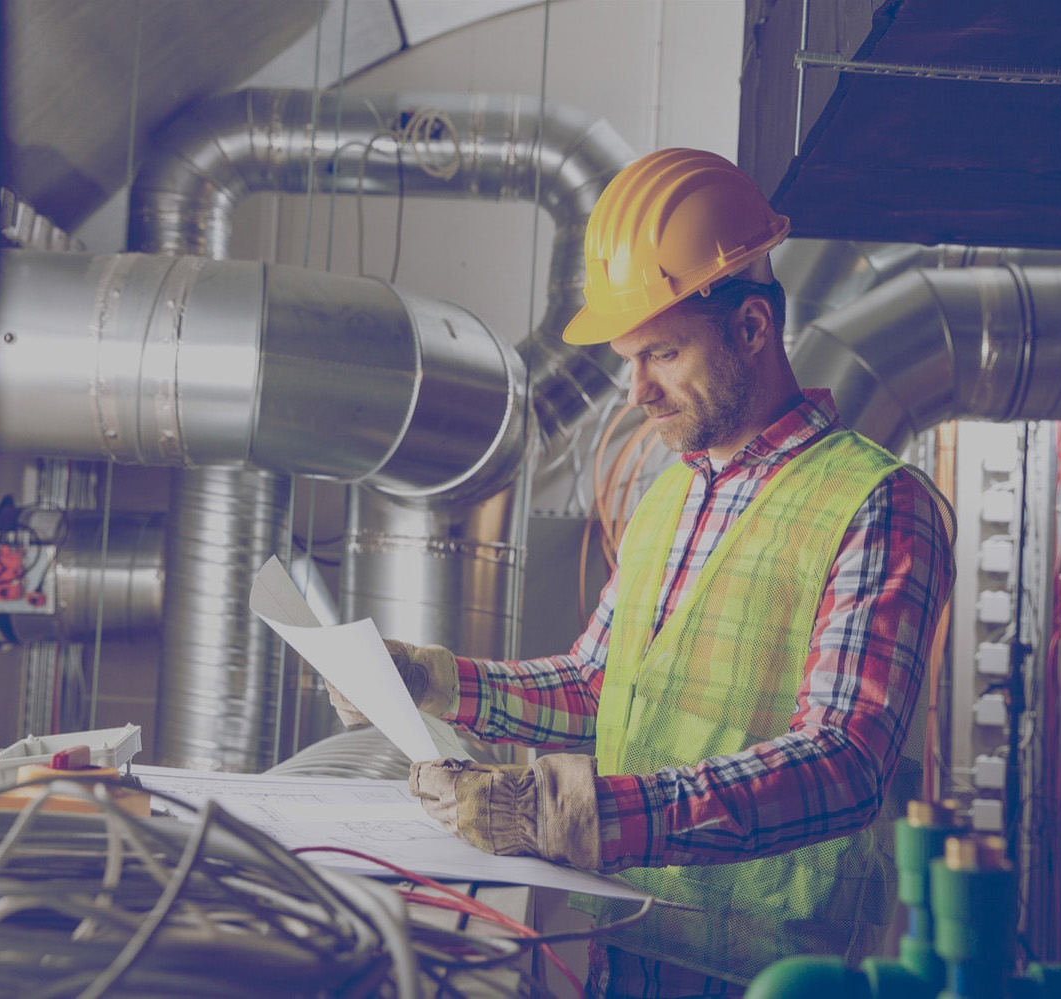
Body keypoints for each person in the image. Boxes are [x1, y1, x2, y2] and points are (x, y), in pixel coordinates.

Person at [331, 147, 956, 997]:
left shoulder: (878, 503)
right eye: (631, 360)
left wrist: (573, 814)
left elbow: (843, 762)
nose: (637, 392)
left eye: (660, 354)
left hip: (777, 975)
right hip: (626, 945)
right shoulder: (669, 496)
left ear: (750, 329)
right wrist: (433, 681)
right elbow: (597, 683)